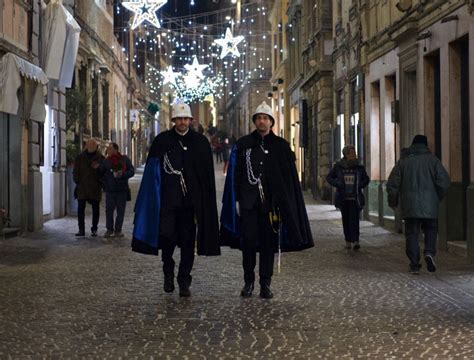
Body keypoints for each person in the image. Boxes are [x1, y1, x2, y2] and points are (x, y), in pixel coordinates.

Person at [220, 101, 314, 299]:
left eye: (265, 118)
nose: (262, 122)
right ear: (255, 121)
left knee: (268, 244)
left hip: (271, 206)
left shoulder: (280, 146)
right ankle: (248, 282)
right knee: (248, 243)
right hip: (248, 203)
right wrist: (236, 199)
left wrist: (284, 202)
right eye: (259, 118)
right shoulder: (243, 145)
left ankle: (265, 283)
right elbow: (236, 174)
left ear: (271, 122)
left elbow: (288, 179)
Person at [132, 103, 220, 297]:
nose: (182, 122)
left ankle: (184, 279)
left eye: (185, 119)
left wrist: (204, 203)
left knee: (188, 243)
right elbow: (152, 173)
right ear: (174, 121)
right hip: (168, 201)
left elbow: (206, 176)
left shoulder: (200, 143)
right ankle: (168, 269)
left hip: (190, 204)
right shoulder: (162, 141)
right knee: (167, 238)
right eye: (179, 119)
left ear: (190, 120)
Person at [387, 134, 450, 274]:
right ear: (426, 145)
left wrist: (393, 201)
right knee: (431, 230)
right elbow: (445, 182)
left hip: (410, 206)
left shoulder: (403, 162)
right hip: (430, 205)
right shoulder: (433, 161)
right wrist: (436, 198)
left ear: (412, 145)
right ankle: (429, 252)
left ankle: (414, 264)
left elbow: (392, 184)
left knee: (412, 234)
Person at [326, 145, 370, 250]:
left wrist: (360, 185)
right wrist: (337, 183)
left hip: (355, 198)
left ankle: (355, 241)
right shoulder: (338, 166)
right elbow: (329, 177)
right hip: (343, 198)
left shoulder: (359, 167)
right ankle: (348, 241)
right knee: (345, 220)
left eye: (354, 152)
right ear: (346, 154)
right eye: (352, 152)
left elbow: (366, 179)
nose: (355, 154)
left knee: (354, 220)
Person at [100, 143, 135, 238]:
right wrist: (105, 184)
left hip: (121, 190)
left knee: (120, 211)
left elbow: (132, 171)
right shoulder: (106, 161)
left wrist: (123, 175)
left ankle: (118, 230)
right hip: (110, 190)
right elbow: (100, 173)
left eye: (110, 148)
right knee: (109, 210)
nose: (108, 150)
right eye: (108, 149)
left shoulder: (124, 159)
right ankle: (109, 229)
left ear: (115, 149)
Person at [73, 138, 105, 237]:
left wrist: (98, 170)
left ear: (96, 147)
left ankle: (94, 229)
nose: (91, 147)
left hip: (95, 188)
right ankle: (81, 229)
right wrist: (77, 181)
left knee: (95, 209)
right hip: (82, 188)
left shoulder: (101, 158)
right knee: (80, 209)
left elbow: (104, 173)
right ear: (86, 146)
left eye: (93, 145)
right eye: (89, 145)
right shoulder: (80, 157)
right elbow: (75, 171)